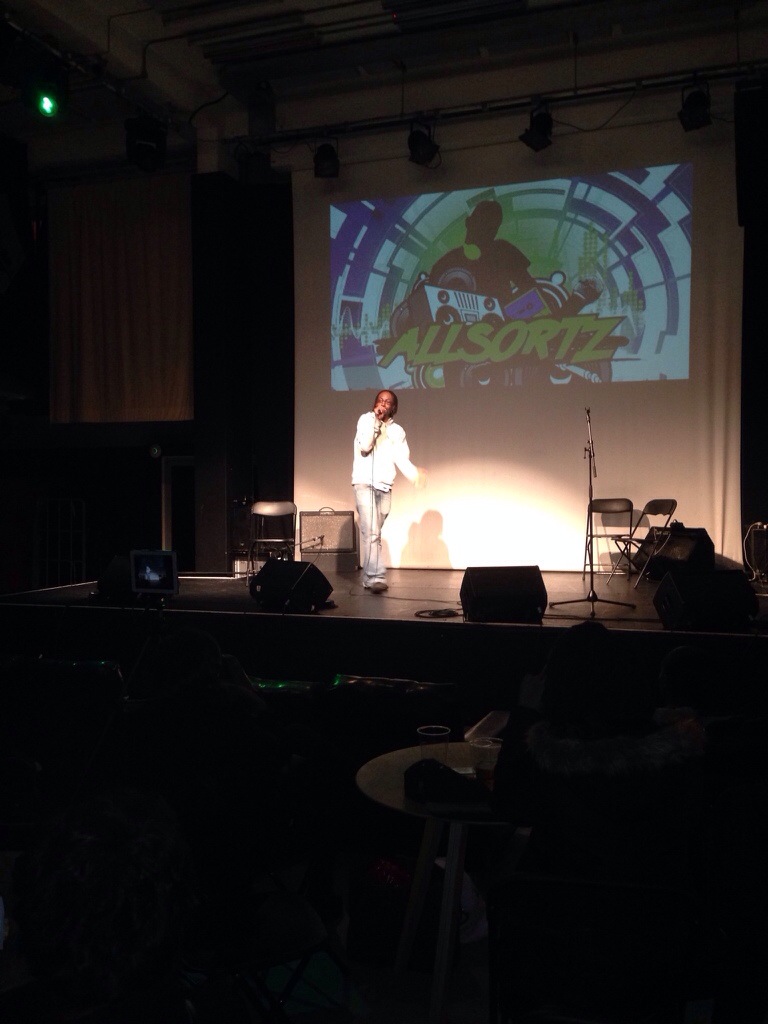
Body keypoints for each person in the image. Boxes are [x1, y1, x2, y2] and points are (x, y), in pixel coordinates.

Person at [352, 389, 426, 593]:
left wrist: (414, 475)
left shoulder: (397, 431)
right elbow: (365, 446)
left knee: (375, 531)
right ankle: (375, 577)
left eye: (388, 402)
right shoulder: (365, 420)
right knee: (372, 532)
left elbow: (401, 458)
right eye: (380, 400)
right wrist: (376, 423)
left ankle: (369, 576)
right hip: (364, 483)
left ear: (393, 407)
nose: (383, 404)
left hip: (385, 486)